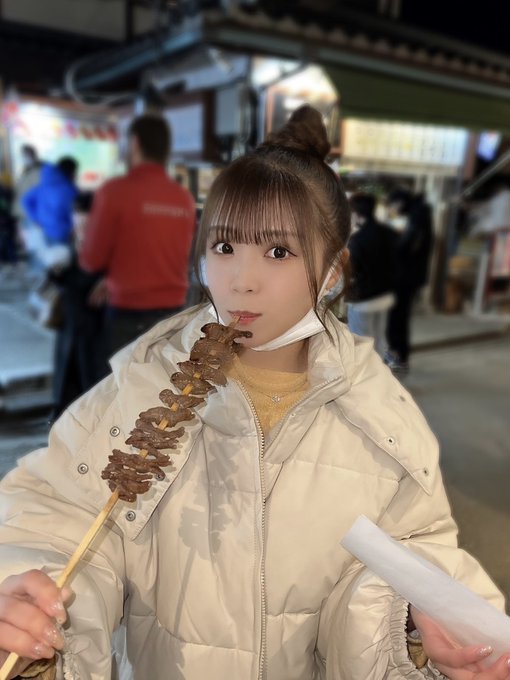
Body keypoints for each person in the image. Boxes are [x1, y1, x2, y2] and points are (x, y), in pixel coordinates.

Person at [0, 106, 508, 680]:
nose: (241, 280)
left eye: (278, 252)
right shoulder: (139, 393)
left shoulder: (380, 417)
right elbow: (57, 520)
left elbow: (415, 551)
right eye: (223, 247)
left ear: (332, 271)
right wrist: (31, 609)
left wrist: (415, 625)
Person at [79, 113, 196, 357]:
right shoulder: (183, 198)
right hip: (173, 313)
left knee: (122, 380)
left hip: (126, 313)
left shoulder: (114, 192)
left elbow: (92, 260)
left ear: (134, 143)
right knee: (163, 379)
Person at [50, 192, 107, 421]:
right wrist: (56, 272)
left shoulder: (105, 243)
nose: (81, 225)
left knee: (88, 376)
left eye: (85, 220)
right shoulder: (72, 240)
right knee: (67, 375)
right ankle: (63, 420)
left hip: (93, 323)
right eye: (77, 218)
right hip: (71, 322)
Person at [385, 187, 434, 374]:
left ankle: (398, 357)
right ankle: (399, 356)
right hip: (410, 275)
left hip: (405, 277)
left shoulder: (417, 216)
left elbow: (407, 245)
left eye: (394, 205)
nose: (394, 209)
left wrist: (391, 246)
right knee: (399, 316)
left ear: (400, 202)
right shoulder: (420, 213)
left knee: (397, 317)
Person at [346, 191, 398, 357]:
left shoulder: (357, 240)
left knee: (361, 343)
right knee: (379, 339)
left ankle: (365, 372)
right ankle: (380, 368)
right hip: (385, 296)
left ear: (356, 214)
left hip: (363, 301)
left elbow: (351, 272)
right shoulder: (390, 233)